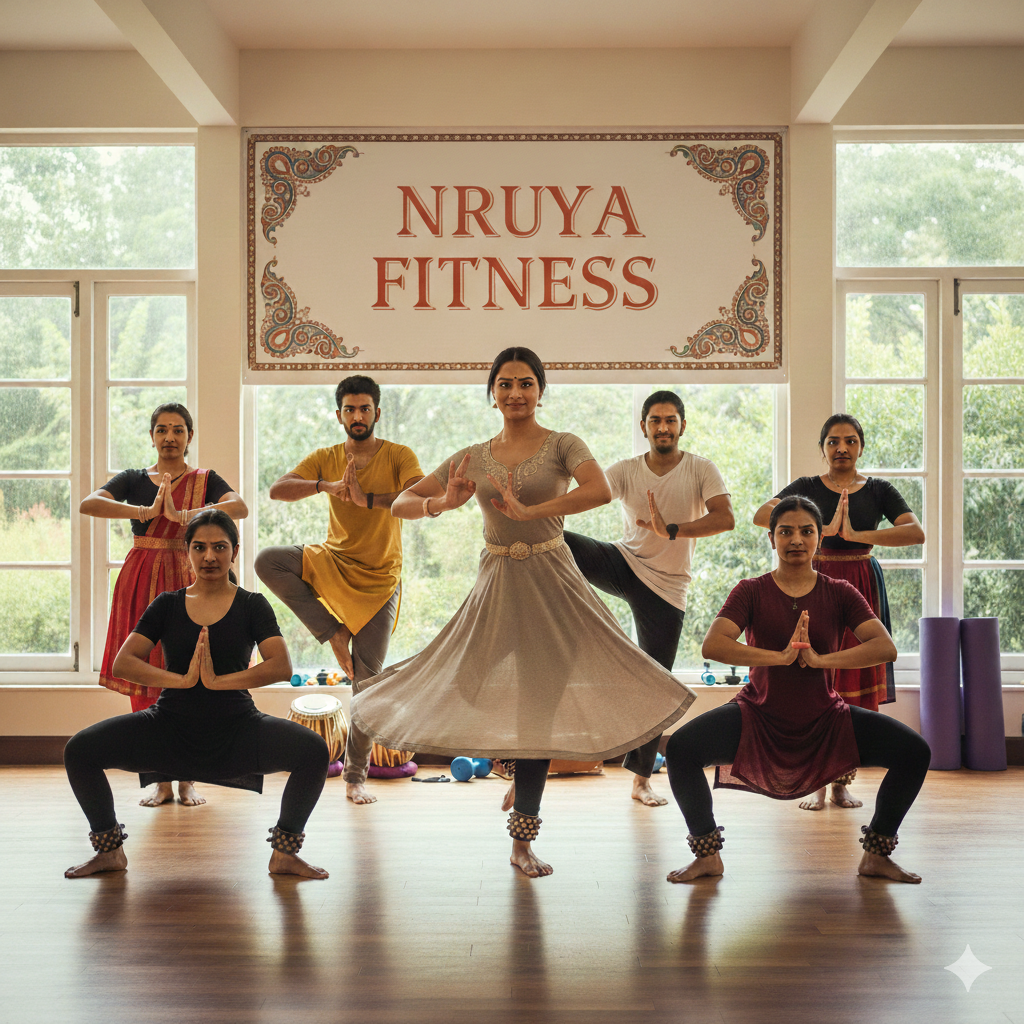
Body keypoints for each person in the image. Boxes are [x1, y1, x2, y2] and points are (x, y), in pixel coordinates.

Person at [349, 347, 696, 878]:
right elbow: (401, 503)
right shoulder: (472, 456)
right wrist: (444, 503)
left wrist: (534, 511)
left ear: (540, 390)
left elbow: (599, 490)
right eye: (506, 383)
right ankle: (514, 758)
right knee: (466, 683)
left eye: (526, 383)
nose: (515, 392)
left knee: (540, 710)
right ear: (492, 393)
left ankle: (522, 837)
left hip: (554, 583)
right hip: (497, 583)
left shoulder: (562, 444)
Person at [664, 495, 930, 885]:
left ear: (819, 538)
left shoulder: (839, 592)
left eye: (806, 531)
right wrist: (779, 657)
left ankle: (876, 856)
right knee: (680, 749)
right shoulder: (750, 590)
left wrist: (821, 661)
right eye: (785, 531)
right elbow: (713, 645)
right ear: (771, 538)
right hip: (757, 717)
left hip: (826, 720)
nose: (796, 540)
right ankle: (708, 857)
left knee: (915, 752)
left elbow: (884, 647)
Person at [63, 510, 330, 880]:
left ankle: (284, 855)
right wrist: (182, 680)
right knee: (79, 750)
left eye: (219, 547)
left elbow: (281, 666)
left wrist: (219, 682)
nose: (209, 557)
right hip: (169, 727)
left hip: (237, 729)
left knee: (314, 751)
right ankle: (110, 853)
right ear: (186, 552)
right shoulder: (167, 604)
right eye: (200, 547)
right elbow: (124, 663)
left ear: (234, 552)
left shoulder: (252, 605)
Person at [255, 376, 424, 805]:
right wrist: (324, 486)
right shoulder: (326, 458)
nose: (357, 416)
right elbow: (277, 489)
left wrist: (367, 499)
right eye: (350, 409)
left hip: (380, 580)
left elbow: (420, 499)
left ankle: (355, 777)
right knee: (268, 561)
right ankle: (333, 631)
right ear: (339, 415)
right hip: (333, 561)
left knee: (367, 684)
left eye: (365, 408)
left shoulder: (399, 455)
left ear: (377, 413)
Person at [564, 390, 734, 807]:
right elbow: (589, 493)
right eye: (655, 420)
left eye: (670, 420)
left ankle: (640, 782)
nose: (663, 427)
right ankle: (552, 608)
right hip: (625, 563)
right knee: (558, 539)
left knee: (656, 684)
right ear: (643, 427)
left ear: (682, 426)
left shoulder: (700, 469)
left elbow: (725, 518)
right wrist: (538, 507)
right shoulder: (625, 470)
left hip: (667, 587)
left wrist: (672, 530)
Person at [752, 414, 925, 811]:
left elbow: (915, 533)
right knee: (814, 678)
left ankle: (841, 784)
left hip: (861, 582)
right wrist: (824, 531)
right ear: (822, 448)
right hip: (815, 581)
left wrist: (857, 535)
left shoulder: (879, 489)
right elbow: (762, 516)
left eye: (850, 441)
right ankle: (815, 781)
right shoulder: (807, 487)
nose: (841, 448)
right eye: (833, 441)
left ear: (861, 447)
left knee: (851, 680)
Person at [80, 402, 248, 809]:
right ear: (152, 436)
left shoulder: (205, 479)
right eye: (161, 430)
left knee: (189, 671)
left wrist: (187, 514)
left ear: (189, 436)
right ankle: (159, 780)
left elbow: (239, 507)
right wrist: (146, 511)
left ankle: (187, 779)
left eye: (177, 430)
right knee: (146, 676)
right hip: (141, 580)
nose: (169, 437)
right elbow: (90, 504)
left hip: (191, 576)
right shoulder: (134, 479)